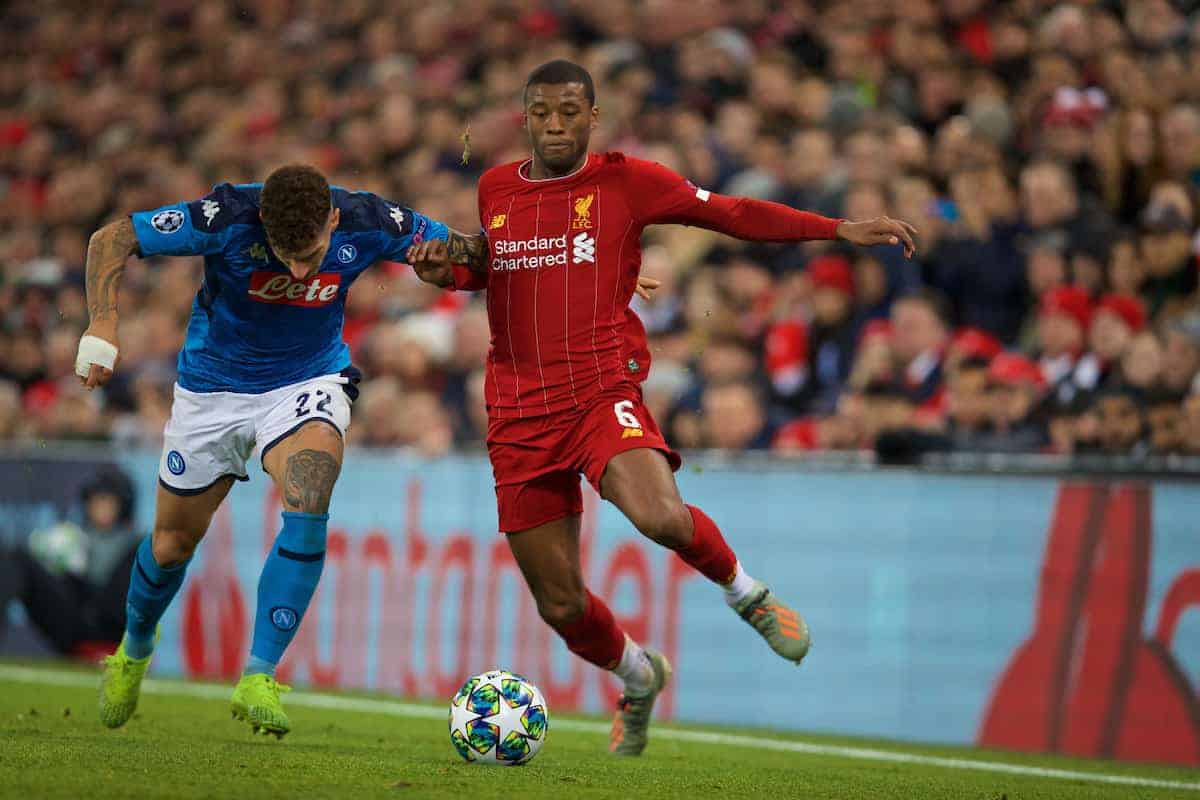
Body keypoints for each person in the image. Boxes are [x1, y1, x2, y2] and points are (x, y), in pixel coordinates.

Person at [409, 60, 918, 757]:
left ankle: (748, 594)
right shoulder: (496, 187)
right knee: (559, 605)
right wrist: (452, 271)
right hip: (517, 411)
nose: (554, 124)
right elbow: (502, 267)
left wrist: (836, 229)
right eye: (540, 112)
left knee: (659, 515)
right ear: (525, 117)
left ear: (594, 117)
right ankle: (640, 676)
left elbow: (731, 214)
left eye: (568, 111)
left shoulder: (629, 181)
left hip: (596, 392)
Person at [76, 164, 485, 737]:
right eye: (285, 253)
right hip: (212, 392)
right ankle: (134, 649)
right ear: (264, 221)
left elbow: (472, 255)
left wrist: (447, 268)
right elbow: (111, 238)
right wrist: (103, 322)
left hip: (305, 382)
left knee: (310, 488)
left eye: (312, 252)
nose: (298, 269)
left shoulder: (369, 218)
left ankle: (259, 675)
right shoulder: (226, 216)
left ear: (334, 220)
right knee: (171, 545)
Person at [0, 468, 141, 655]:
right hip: (75, 624)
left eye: (106, 500)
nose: (98, 506)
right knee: (16, 559)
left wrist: (80, 577)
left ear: (123, 505)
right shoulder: (74, 536)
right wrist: (59, 569)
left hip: (110, 629)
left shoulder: (136, 544)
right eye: (94, 500)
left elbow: (124, 604)